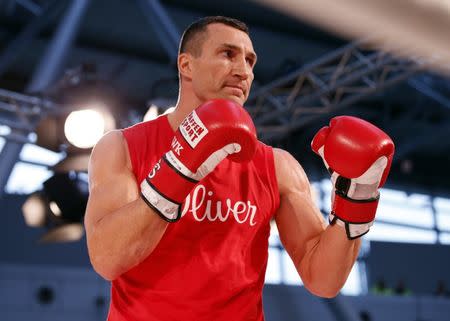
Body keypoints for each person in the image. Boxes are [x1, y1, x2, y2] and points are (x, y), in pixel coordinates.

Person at [84, 16, 395, 321]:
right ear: (186, 65)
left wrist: (357, 198)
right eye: (228, 54)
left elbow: (323, 281)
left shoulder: (278, 165)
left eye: (250, 61)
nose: (243, 71)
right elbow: (107, 260)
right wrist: (178, 169)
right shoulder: (122, 146)